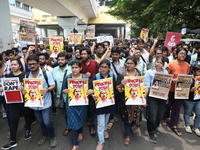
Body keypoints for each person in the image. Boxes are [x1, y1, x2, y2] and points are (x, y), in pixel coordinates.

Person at [25, 55, 57, 148]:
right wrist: (23, 90)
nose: (31, 66)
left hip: (45, 103)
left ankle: (52, 137)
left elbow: (53, 85)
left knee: (47, 122)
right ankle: (44, 136)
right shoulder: (27, 75)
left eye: (33, 64)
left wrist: (47, 90)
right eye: (29, 64)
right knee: (41, 121)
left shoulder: (45, 73)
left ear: (38, 63)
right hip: (34, 104)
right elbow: (27, 89)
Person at [2, 59, 33, 150]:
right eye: (11, 64)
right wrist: (2, 88)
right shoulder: (7, 76)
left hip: (24, 101)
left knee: (27, 116)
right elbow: (4, 88)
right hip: (12, 101)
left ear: (20, 66)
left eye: (15, 64)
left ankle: (28, 129)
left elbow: (30, 89)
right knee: (13, 119)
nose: (13, 66)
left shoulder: (26, 75)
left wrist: (23, 89)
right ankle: (12, 140)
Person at [116, 56, 144, 146]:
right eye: (127, 63)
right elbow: (118, 88)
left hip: (136, 99)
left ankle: (132, 125)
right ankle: (127, 134)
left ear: (135, 64)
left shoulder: (139, 73)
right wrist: (121, 85)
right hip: (125, 99)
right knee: (126, 117)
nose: (129, 65)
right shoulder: (121, 73)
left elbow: (142, 86)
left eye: (131, 63)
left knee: (135, 114)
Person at [163, 47, 190, 136]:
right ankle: (164, 117)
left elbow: (187, 76)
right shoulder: (171, 64)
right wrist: (173, 80)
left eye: (184, 54)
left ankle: (174, 124)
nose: (183, 55)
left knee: (177, 108)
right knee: (168, 105)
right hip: (170, 89)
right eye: (181, 53)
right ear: (176, 54)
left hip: (180, 91)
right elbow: (165, 76)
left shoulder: (187, 65)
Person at [62, 60, 88, 150]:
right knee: (73, 122)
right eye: (72, 67)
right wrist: (65, 91)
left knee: (81, 118)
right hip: (71, 104)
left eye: (76, 67)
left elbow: (88, 91)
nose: (74, 69)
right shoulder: (68, 78)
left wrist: (89, 92)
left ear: (80, 68)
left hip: (82, 104)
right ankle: (75, 144)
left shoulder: (85, 78)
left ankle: (80, 132)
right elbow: (63, 89)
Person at [90, 59, 115, 150]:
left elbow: (114, 89)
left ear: (109, 68)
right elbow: (90, 89)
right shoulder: (96, 77)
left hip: (109, 104)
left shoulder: (112, 76)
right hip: (99, 104)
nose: (103, 69)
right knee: (100, 123)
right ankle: (100, 142)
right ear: (99, 67)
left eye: (106, 67)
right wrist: (93, 95)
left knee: (106, 119)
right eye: (102, 67)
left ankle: (104, 130)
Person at [144, 56, 169, 144]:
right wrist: (144, 97)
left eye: (161, 63)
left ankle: (155, 128)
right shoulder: (149, 72)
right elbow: (147, 86)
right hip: (152, 97)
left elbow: (166, 84)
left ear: (163, 64)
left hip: (162, 97)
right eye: (157, 62)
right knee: (152, 115)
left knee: (159, 115)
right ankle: (151, 132)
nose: (159, 64)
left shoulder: (165, 72)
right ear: (155, 62)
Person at [80, 47, 98, 135]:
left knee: (92, 106)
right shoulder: (79, 64)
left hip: (93, 87)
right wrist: (84, 75)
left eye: (85, 54)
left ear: (89, 55)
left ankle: (92, 125)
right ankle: (85, 120)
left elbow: (98, 74)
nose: (83, 56)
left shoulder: (95, 63)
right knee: (84, 105)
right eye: (82, 54)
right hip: (82, 88)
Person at [52, 52, 72, 134]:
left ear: (67, 60)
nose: (60, 61)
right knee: (65, 112)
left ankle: (74, 127)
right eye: (59, 59)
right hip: (60, 95)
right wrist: (54, 91)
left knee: (71, 111)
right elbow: (53, 82)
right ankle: (68, 126)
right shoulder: (54, 70)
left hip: (71, 95)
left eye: (62, 60)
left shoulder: (71, 68)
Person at [184, 64, 200, 136]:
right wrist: (190, 90)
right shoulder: (189, 79)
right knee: (188, 112)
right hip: (189, 99)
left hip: (198, 99)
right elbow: (183, 91)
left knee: (199, 114)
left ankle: (195, 127)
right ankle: (187, 125)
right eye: (199, 71)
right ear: (193, 72)